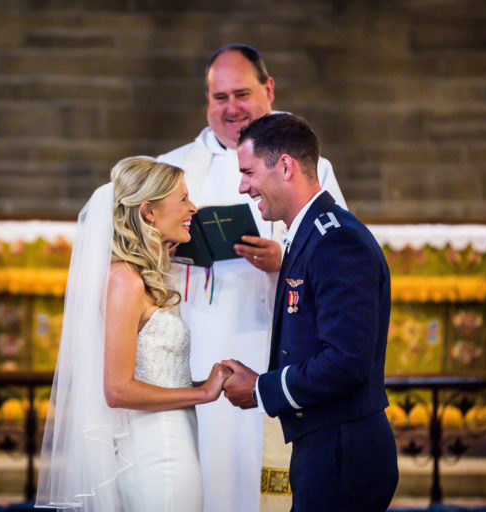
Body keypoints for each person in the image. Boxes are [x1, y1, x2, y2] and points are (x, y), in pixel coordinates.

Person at [157, 44, 346, 512]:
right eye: (219, 98)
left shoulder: (305, 165)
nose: (231, 108)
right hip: (200, 341)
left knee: (264, 479)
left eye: (242, 93)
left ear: (269, 89)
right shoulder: (175, 169)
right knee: (209, 475)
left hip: (273, 344)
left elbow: (338, 256)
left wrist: (284, 258)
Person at [222, 113, 399, 511]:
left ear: (284, 166)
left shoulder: (336, 241)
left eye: (249, 172)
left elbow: (347, 362)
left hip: (343, 451)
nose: (243, 186)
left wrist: (261, 389)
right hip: (325, 443)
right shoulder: (311, 234)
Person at [36, 156, 230, 512]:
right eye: (183, 199)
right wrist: (201, 393)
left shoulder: (138, 277)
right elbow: (117, 389)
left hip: (172, 438)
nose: (193, 208)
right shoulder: (125, 280)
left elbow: (153, 372)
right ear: (148, 212)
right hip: (158, 449)